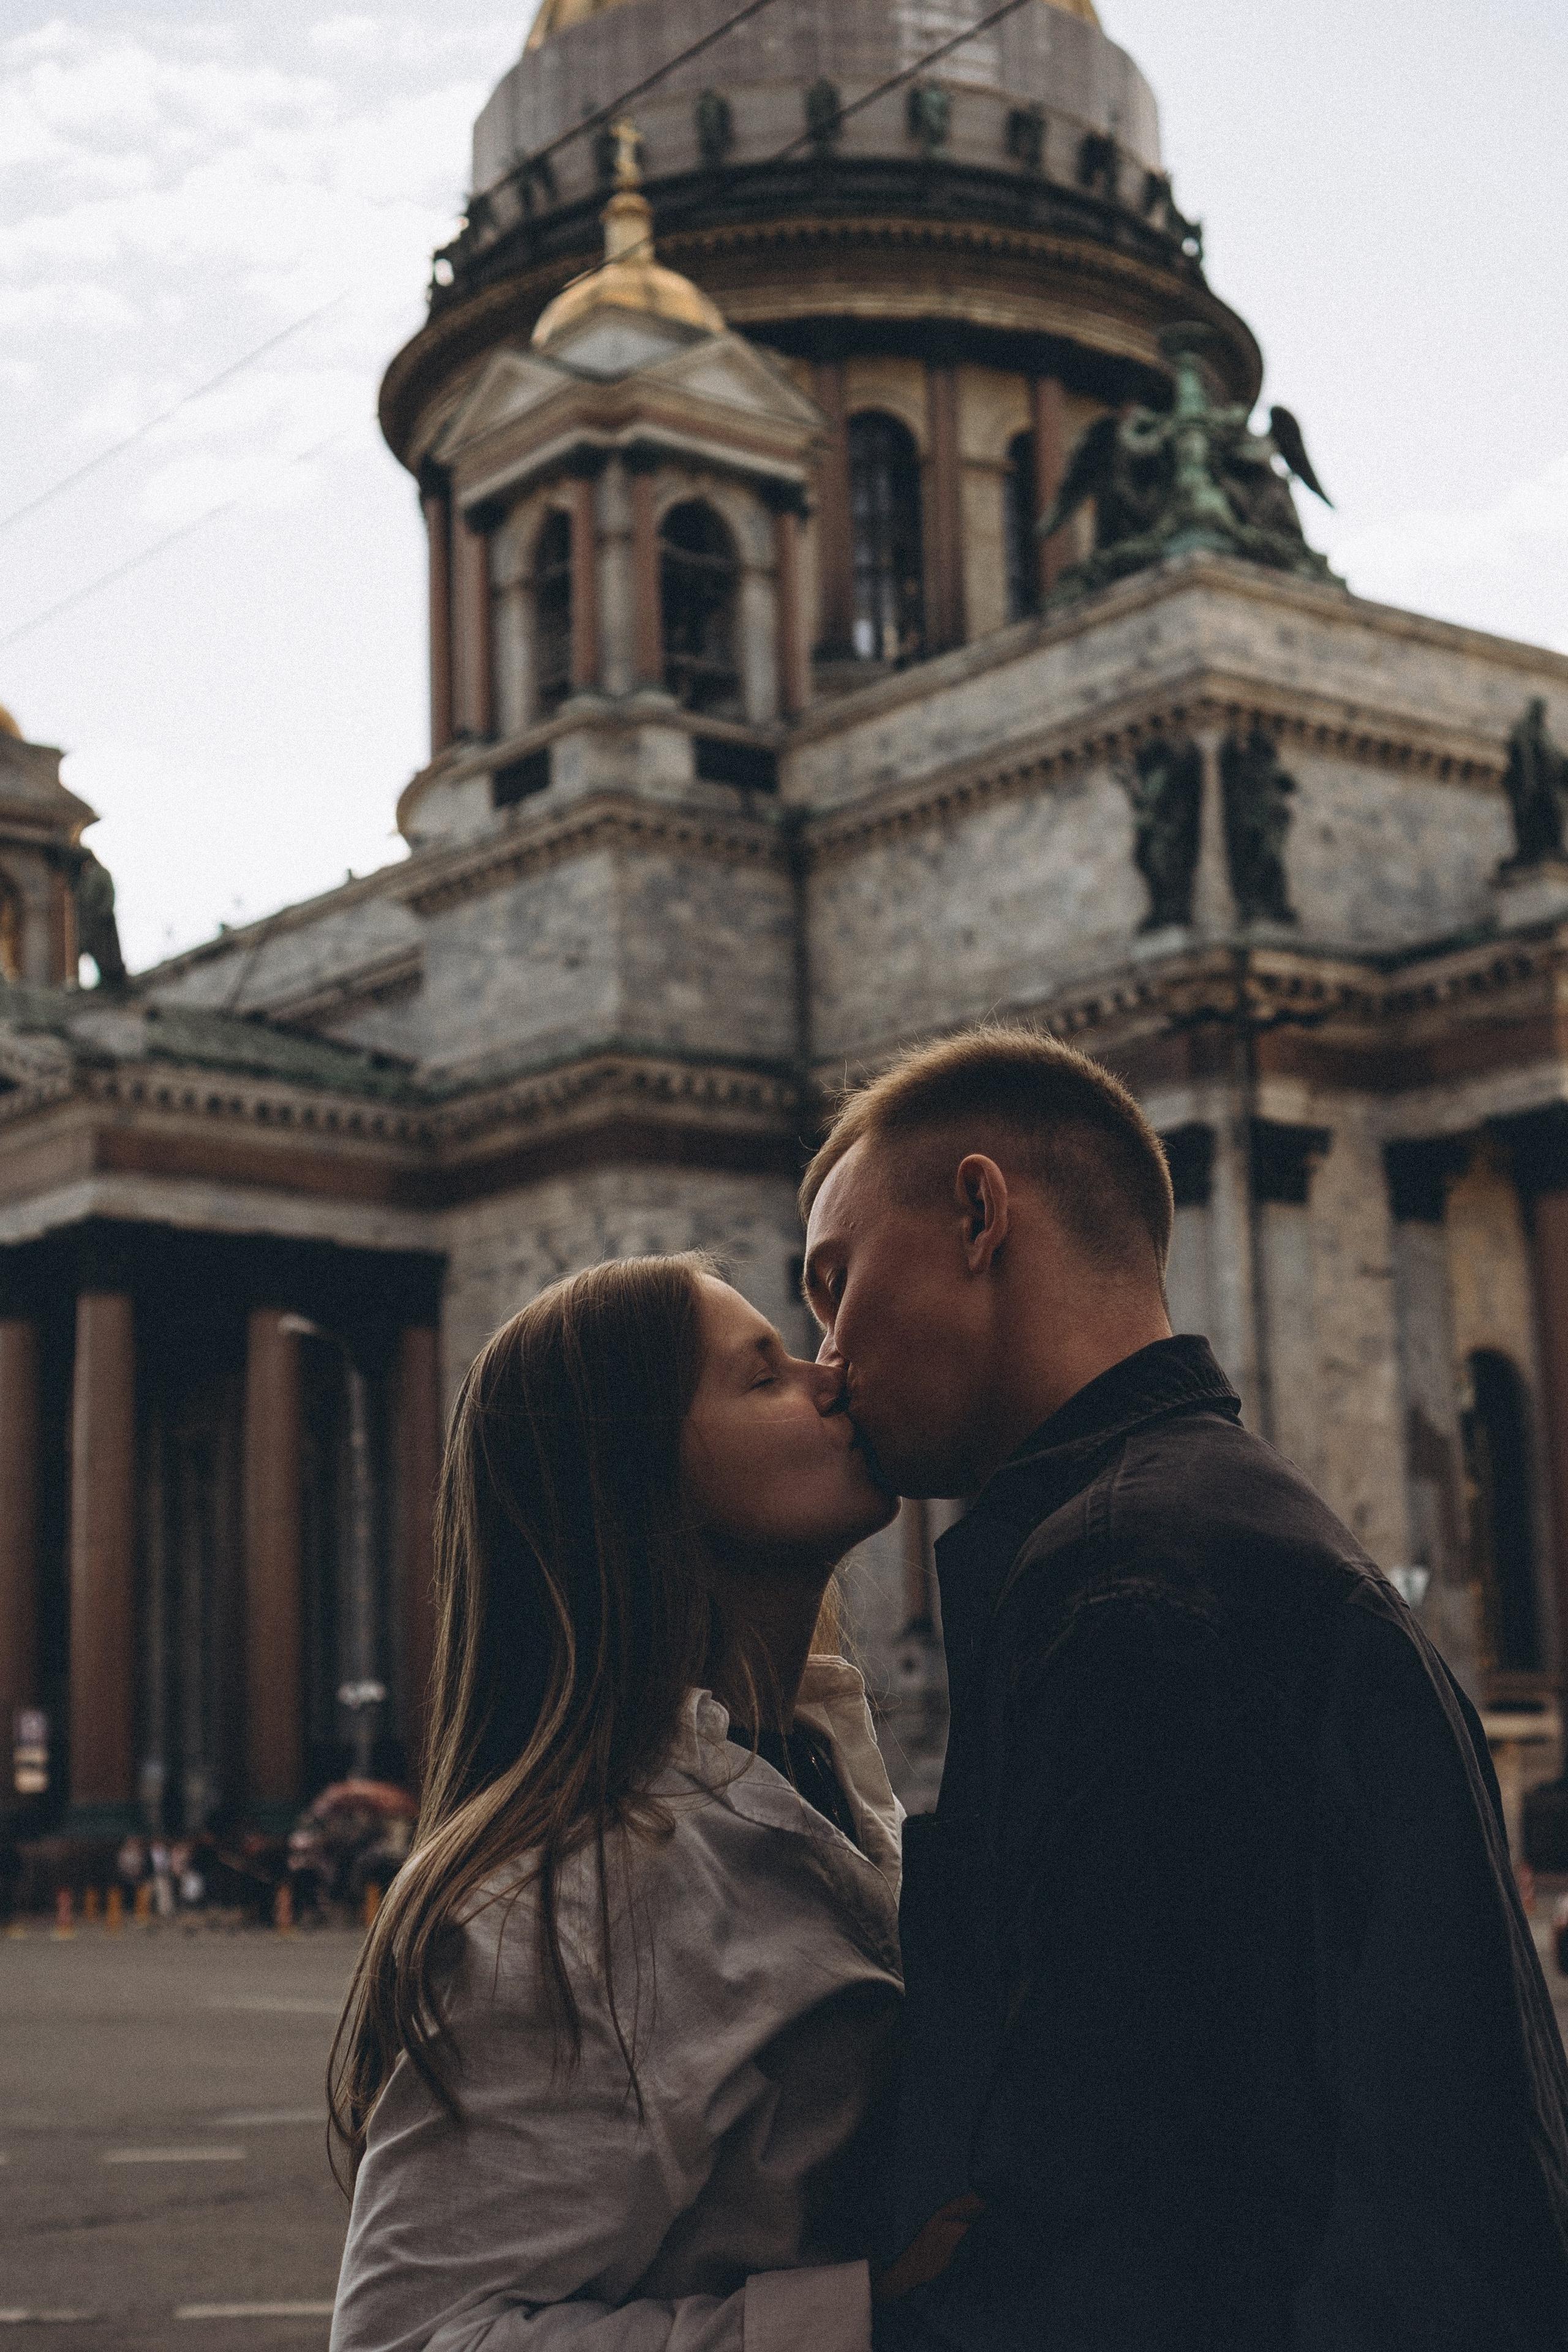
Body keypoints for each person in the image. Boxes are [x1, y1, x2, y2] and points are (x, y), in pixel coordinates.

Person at [801, 1023, 1568, 2351]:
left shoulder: (1127, 1592)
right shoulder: (1209, 1526)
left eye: (833, 1279)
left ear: (979, 1213)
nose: (826, 1354)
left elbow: (1126, 2231)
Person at [330, 1253, 904, 2352]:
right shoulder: (571, 1899)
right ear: (636, 1479)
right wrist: (864, 2324)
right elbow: (412, 2338)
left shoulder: (814, 1755)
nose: (829, 1372)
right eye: (762, 1375)